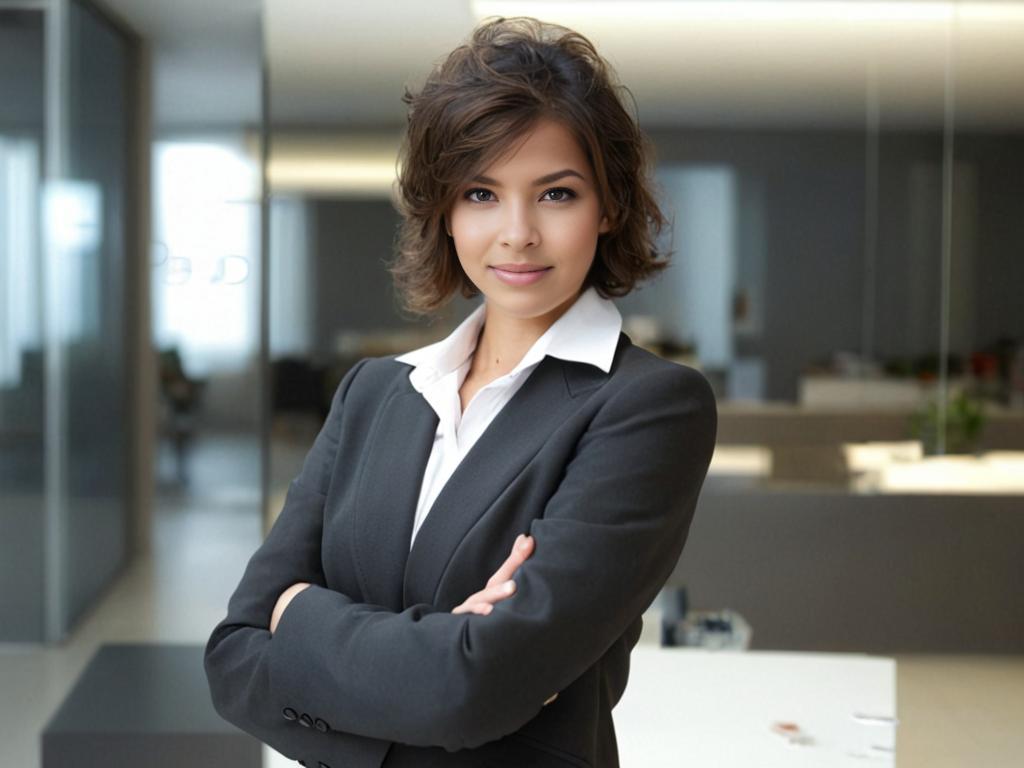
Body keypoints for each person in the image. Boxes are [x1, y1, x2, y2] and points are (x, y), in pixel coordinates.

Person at [204, 16, 717, 768]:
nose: (516, 234)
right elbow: (234, 657)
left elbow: (472, 688)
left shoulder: (647, 408)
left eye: (557, 194)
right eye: (481, 193)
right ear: (443, 212)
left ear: (608, 208)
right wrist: (437, 655)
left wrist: (304, 618)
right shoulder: (377, 392)